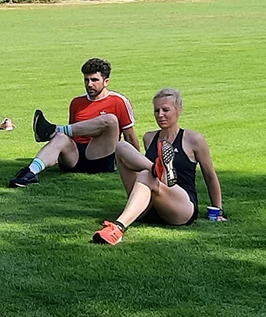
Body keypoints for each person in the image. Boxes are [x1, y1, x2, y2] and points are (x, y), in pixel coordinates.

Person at [92, 89, 225, 244]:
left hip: (181, 207)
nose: (160, 115)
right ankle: (156, 169)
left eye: (165, 110)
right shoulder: (149, 138)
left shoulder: (193, 139)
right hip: (150, 206)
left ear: (178, 110)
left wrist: (218, 209)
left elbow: (209, 175)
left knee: (145, 175)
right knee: (122, 147)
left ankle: (118, 227)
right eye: (157, 110)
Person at [9, 58, 138, 187]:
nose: (89, 84)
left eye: (94, 80)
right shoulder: (77, 102)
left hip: (101, 156)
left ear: (106, 82)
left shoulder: (118, 101)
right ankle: (30, 173)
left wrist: (138, 163)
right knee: (60, 137)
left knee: (110, 120)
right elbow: (73, 133)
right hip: (75, 157)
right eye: (86, 80)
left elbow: (130, 135)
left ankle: (54, 130)